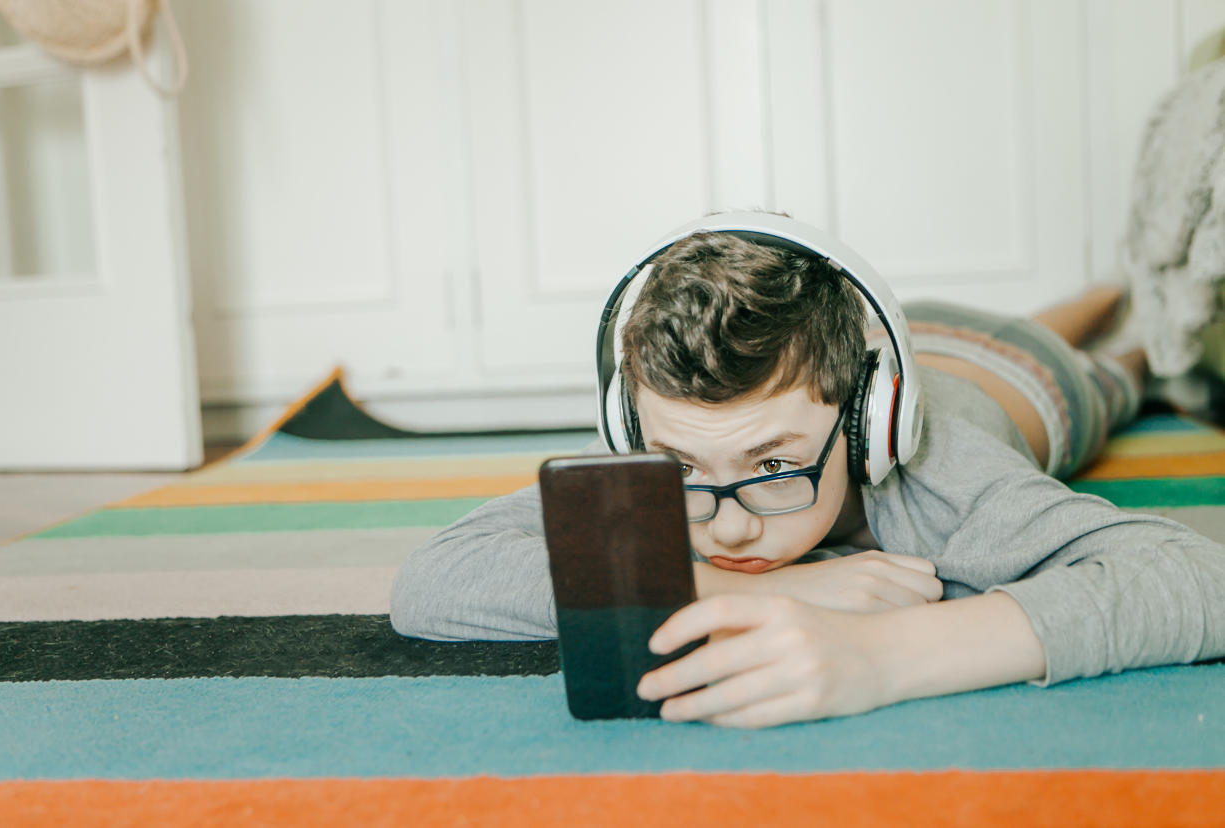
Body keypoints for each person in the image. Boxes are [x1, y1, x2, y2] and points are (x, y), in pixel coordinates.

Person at [390, 212, 1225, 728]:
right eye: (682, 467)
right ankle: (1094, 301)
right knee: (1053, 323)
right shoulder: (676, 463)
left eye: (774, 463)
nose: (728, 526)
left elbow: (1199, 579)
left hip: (1023, 376)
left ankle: (1131, 333)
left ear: (871, 426)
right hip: (919, 330)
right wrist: (754, 592)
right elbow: (434, 579)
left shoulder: (947, 479)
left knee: (1114, 376)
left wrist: (884, 656)